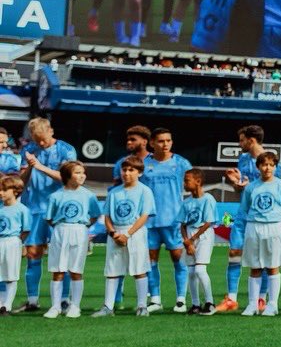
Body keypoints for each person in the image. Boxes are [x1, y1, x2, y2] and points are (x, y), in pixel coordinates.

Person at [17, 118, 76, 313]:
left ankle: (64, 299)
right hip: (34, 208)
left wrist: (40, 166)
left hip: (59, 209)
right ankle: (32, 300)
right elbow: (21, 182)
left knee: (62, 255)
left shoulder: (66, 150)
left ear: (51, 130)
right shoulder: (29, 150)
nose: (40, 144)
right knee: (33, 253)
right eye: (36, 140)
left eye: (43, 139)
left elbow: (68, 178)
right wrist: (29, 167)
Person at [220, 125, 278, 313]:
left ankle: (261, 299)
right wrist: (236, 183)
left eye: (242, 140)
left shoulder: (271, 160)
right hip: (243, 214)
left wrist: (248, 184)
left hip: (262, 218)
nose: (240, 144)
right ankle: (232, 298)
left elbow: (269, 190)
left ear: (251, 140)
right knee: (234, 253)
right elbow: (241, 190)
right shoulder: (243, 159)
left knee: (262, 259)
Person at [143, 128, 193, 313]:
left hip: (174, 221)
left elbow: (194, 185)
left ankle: (181, 299)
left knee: (178, 260)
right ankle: (155, 299)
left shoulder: (181, 163)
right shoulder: (144, 164)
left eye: (168, 141)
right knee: (150, 261)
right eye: (161, 141)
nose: (165, 144)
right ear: (152, 143)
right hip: (150, 222)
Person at [239, 152, 281, 317]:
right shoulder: (251, 187)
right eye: (264, 164)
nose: (267, 168)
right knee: (254, 266)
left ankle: (272, 304)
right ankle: (252, 304)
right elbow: (246, 208)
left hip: (274, 227)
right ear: (258, 167)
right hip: (254, 226)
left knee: (273, 266)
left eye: (271, 164)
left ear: (275, 167)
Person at [45, 162, 99, 319]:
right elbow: (49, 218)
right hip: (60, 230)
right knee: (58, 270)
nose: (82, 176)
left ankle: (75, 306)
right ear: (67, 176)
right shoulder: (56, 196)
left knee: (76, 271)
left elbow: (94, 215)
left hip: (79, 231)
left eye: (83, 172)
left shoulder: (88, 195)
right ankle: (55, 306)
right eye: (77, 172)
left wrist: (83, 226)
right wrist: (61, 227)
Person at [103, 157, 156, 317]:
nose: (127, 173)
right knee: (112, 270)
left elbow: (144, 216)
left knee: (139, 268)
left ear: (139, 172)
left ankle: (142, 306)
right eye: (124, 170)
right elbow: (107, 216)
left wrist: (127, 234)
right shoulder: (114, 192)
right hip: (116, 234)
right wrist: (113, 233)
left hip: (135, 233)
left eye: (131, 170)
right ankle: (108, 306)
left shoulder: (144, 191)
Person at [179, 169, 218, 315]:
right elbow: (182, 224)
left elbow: (208, 222)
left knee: (200, 270)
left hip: (203, 236)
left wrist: (192, 240)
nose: (185, 183)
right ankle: (195, 304)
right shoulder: (186, 202)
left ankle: (210, 302)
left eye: (187, 180)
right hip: (189, 236)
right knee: (191, 272)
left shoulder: (208, 199)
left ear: (198, 181)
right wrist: (186, 241)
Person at [0, 177, 29, 314]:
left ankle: (7, 304)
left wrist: (21, 244)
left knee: (11, 273)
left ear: (16, 191)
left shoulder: (22, 209)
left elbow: (26, 229)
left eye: (5, 190)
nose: (1, 193)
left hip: (12, 241)